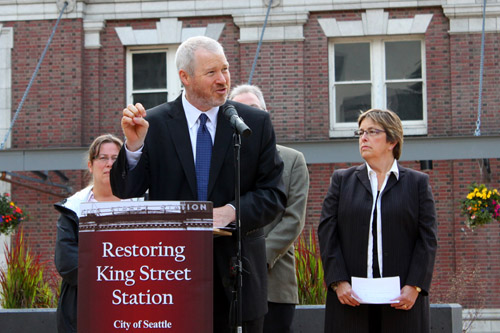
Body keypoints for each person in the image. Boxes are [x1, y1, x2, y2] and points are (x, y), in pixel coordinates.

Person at [110, 36, 286, 332]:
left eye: (226, 69)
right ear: (185, 77)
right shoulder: (154, 124)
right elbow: (125, 190)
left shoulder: (252, 123)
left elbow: (274, 195)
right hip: (172, 277)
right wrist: (133, 146)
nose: (223, 80)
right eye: (211, 72)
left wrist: (231, 212)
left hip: (238, 278)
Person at [318, 109, 437, 333]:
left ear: (392, 140)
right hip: (350, 299)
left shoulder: (417, 183)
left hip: (402, 300)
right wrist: (338, 282)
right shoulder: (341, 181)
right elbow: (327, 233)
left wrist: (415, 286)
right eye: (360, 132)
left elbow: (427, 240)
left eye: (372, 131)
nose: (363, 138)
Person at [230, 84, 310, 333]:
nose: (247, 116)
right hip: (227, 281)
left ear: (265, 114)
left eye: (253, 109)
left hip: (275, 283)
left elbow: (293, 220)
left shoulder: (292, 160)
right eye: (239, 111)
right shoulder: (220, 160)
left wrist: (256, 257)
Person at [54, 134, 141, 332]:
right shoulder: (72, 210)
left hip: (132, 309)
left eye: (116, 158)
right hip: (84, 311)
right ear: (91, 165)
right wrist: (118, 273)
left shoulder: (143, 207)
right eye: (103, 158)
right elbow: (67, 263)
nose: (109, 164)